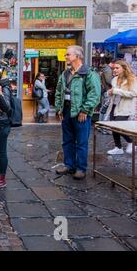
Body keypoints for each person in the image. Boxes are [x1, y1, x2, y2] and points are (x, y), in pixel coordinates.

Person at [54, 45, 101, 180]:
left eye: (68, 54)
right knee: (67, 140)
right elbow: (58, 92)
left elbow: (95, 94)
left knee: (81, 142)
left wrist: (85, 110)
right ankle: (69, 165)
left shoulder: (89, 73)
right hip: (67, 110)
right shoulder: (65, 74)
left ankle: (81, 168)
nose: (66, 57)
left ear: (77, 56)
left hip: (81, 112)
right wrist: (59, 109)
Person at [105, 60, 137, 155]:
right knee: (113, 127)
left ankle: (132, 141)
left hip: (125, 107)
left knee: (119, 127)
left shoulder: (132, 79)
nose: (114, 70)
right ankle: (118, 147)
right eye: (113, 68)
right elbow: (113, 92)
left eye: (117, 68)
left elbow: (134, 93)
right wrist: (109, 92)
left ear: (124, 68)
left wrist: (116, 91)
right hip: (114, 106)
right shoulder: (114, 79)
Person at [99, 58, 114, 125]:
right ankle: (103, 126)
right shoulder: (108, 70)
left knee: (103, 109)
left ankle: (101, 125)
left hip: (105, 90)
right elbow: (109, 81)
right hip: (107, 90)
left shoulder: (106, 69)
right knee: (105, 109)